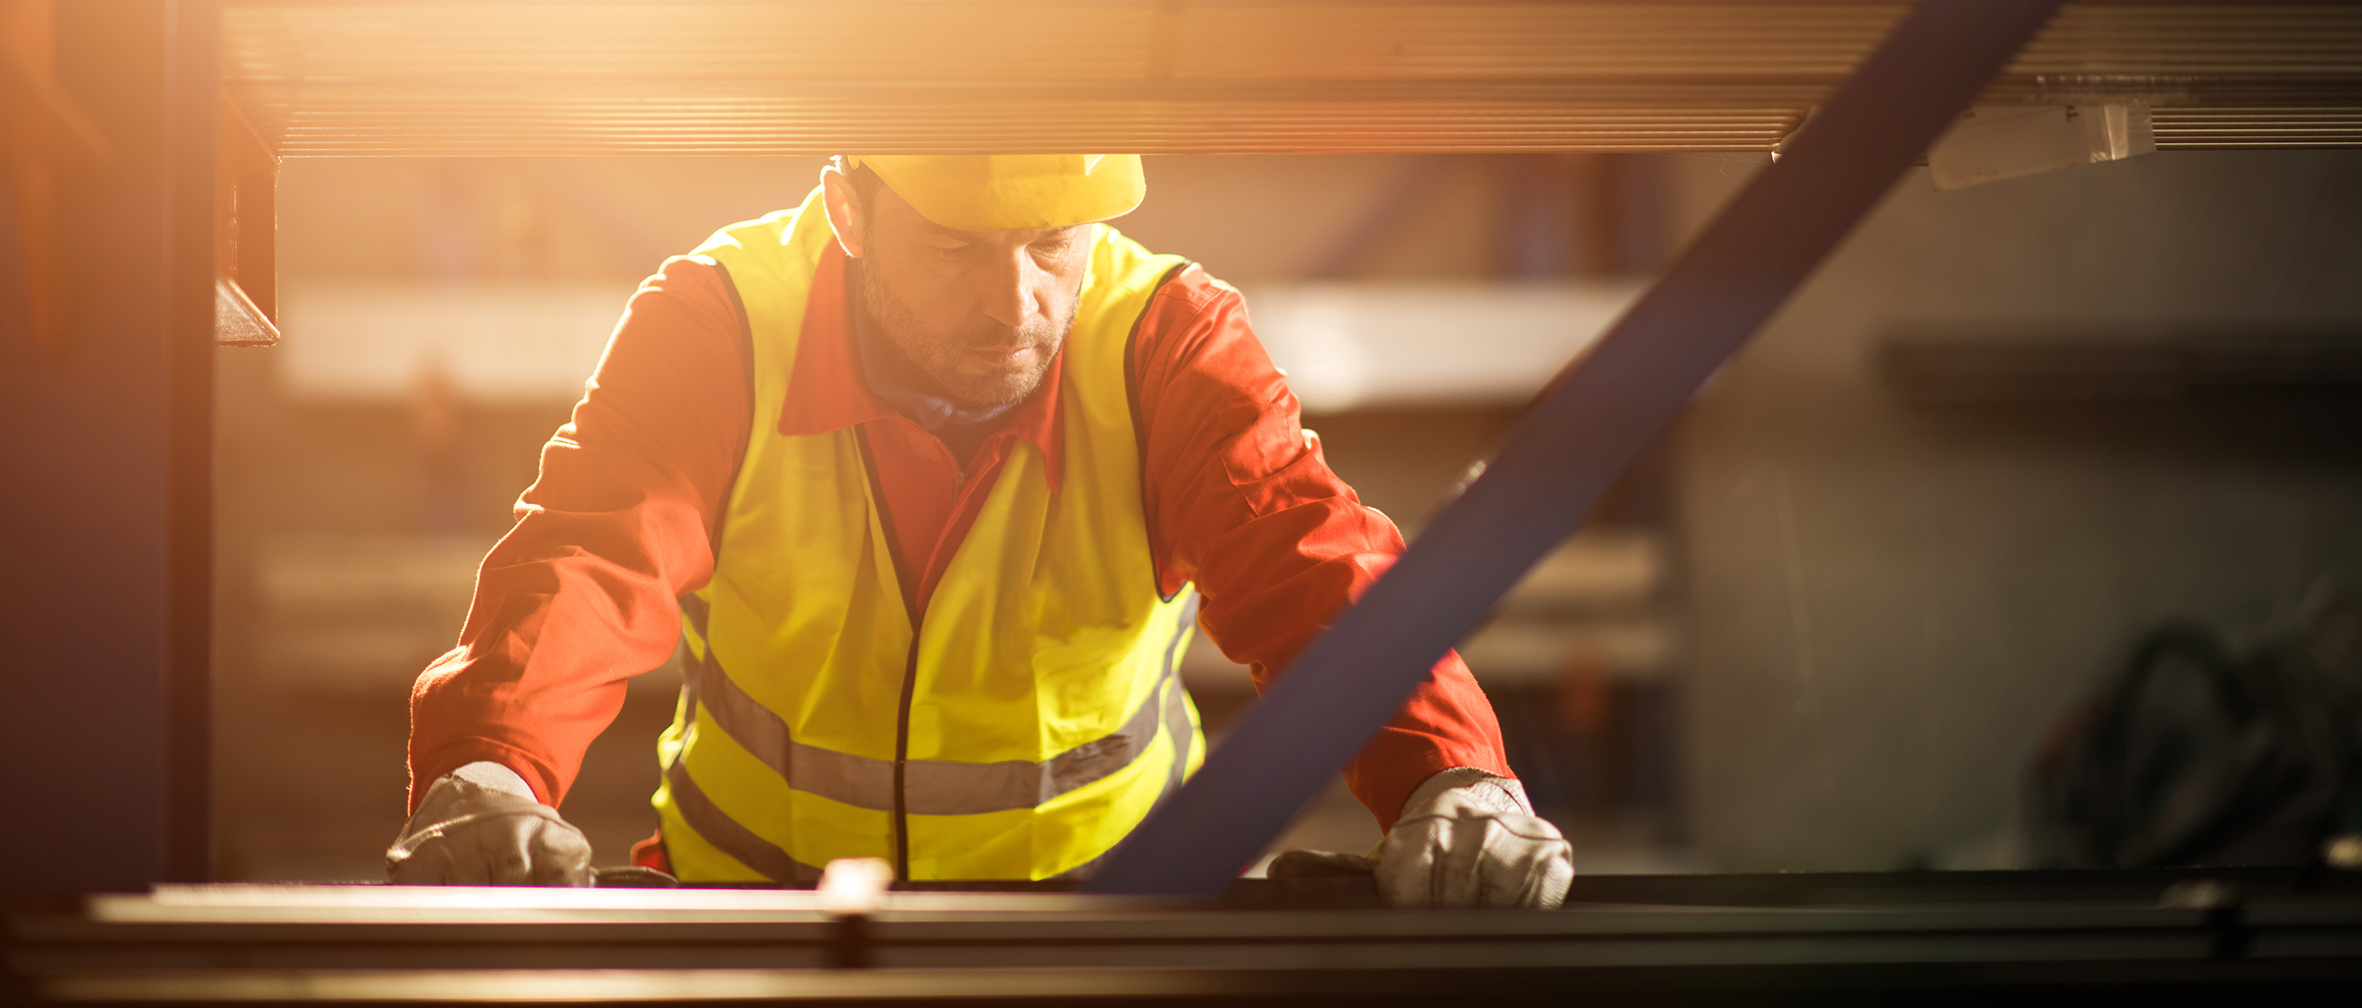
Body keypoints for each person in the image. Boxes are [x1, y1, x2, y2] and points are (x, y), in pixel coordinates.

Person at [388, 154, 1574, 905]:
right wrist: (490, 762)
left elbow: (1313, 563)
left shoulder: (1163, 340)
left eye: (1054, 244)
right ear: (848, 206)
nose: (1016, 306)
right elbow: (585, 556)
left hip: (1111, 927)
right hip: (757, 923)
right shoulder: (722, 322)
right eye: (955, 247)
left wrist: (1449, 775)